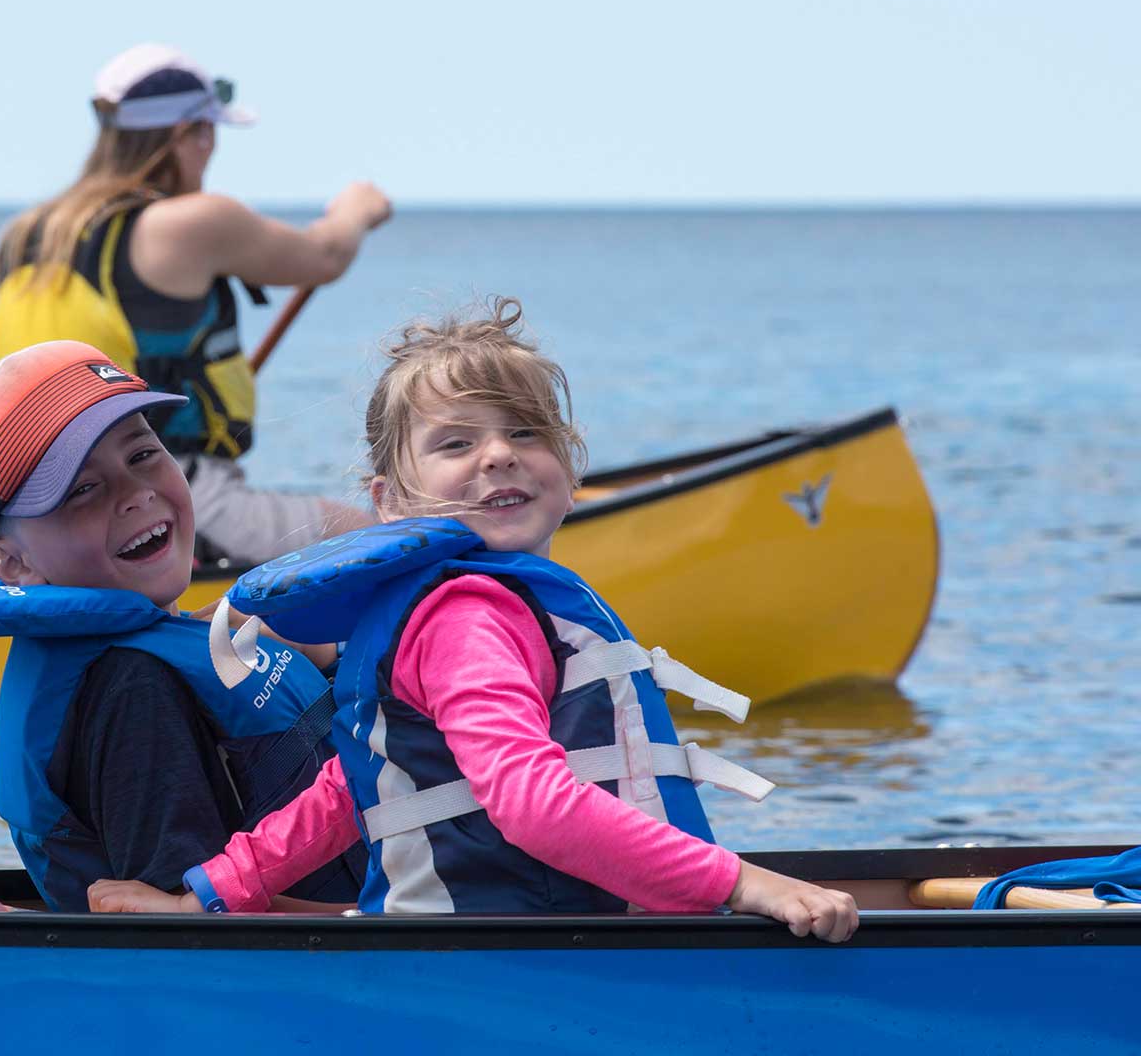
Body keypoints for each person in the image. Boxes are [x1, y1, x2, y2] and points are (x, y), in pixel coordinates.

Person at [87, 301, 860, 941]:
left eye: (525, 432)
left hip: (515, 944)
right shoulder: (468, 616)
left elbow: (349, 789)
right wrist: (743, 883)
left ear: (569, 460)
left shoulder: (483, 601)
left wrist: (209, 896)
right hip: (517, 958)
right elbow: (531, 803)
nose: (499, 455)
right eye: (456, 443)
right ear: (390, 500)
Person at [0, 340, 365, 911]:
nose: (136, 493)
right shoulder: (134, 691)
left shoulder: (169, 646)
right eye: (83, 490)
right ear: (14, 562)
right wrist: (381, 919)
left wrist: (326, 661)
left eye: (143, 454)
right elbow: (188, 930)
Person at [0, 43, 393, 566]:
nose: (211, 149)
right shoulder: (190, 222)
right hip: (159, 483)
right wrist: (356, 209)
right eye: (210, 133)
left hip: (42, 502)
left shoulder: (29, 235)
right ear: (190, 134)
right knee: (371, 539)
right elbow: (325, 255)